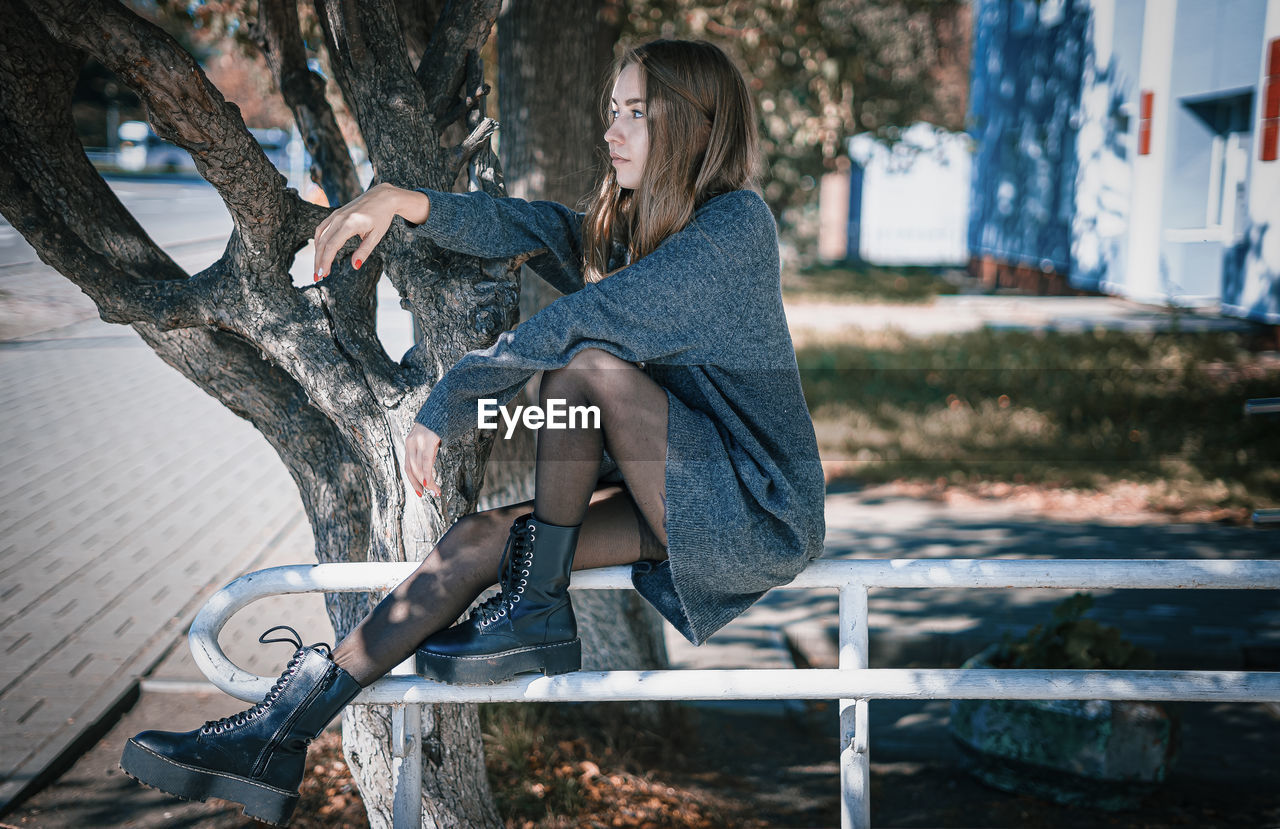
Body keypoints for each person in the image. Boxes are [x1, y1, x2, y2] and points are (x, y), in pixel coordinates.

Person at [119, 38, 826, 826]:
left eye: (636, 113)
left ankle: (536, 609)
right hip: (686, 487)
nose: (612, 130)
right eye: (612, 111)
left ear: (693, 126)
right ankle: (278, 732)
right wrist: (403, 201)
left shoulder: (734, 228)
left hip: (757, 507)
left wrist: (454, 398)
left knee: (585, 367)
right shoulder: (635, 230)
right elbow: (527, 225)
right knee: (478, 540)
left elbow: (582, 322)